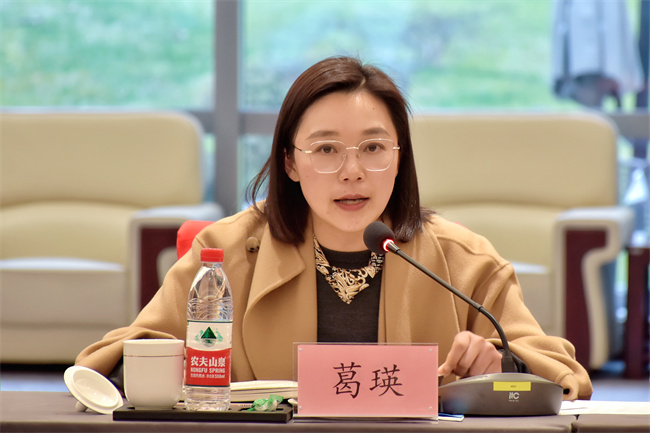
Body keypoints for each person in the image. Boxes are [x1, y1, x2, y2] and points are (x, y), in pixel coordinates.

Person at [76, 56, 592, 400]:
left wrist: (499, 369)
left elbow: (558, 375)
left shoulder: (463, 260)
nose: (352, 171)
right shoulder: (226, 252)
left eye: (373, 147)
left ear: (399, 159)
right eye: (326, 149)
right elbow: (117, 362)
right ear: (290, 163)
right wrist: (166, 368)